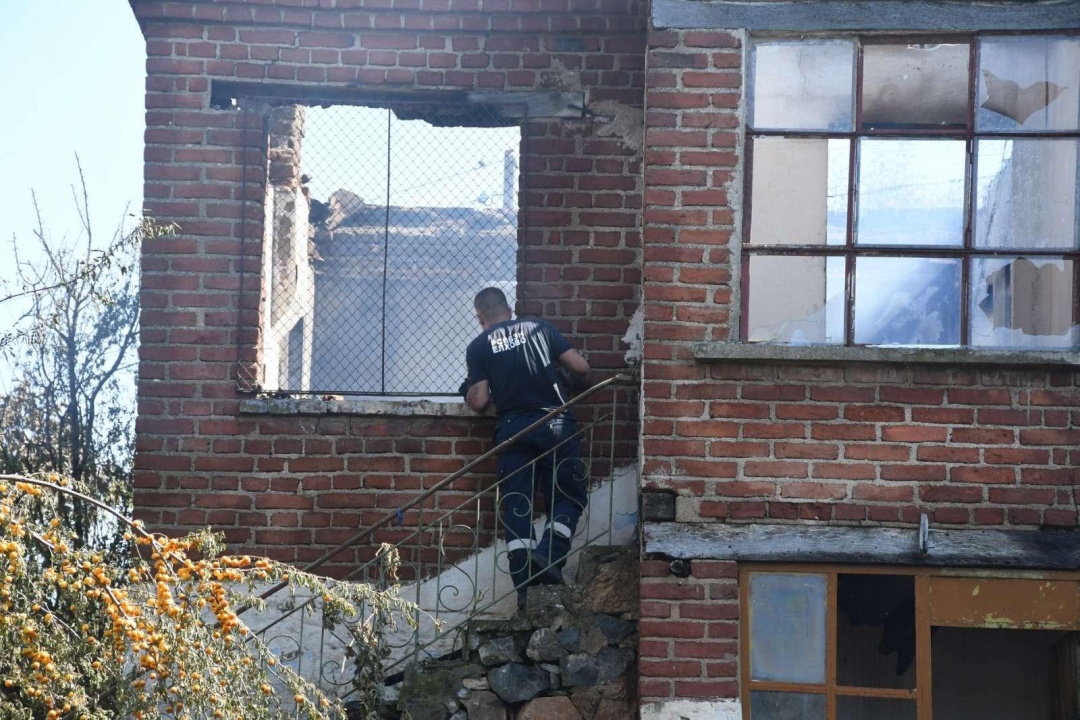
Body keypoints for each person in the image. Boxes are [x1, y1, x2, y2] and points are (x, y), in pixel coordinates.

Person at [462, 287, 590, 605]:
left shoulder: (479, 346)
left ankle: (525, 588)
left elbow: (478, 400)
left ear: (480, 318)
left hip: (512, 431)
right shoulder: (539, 327)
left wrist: (467, 388)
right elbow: (580, 367)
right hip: (555, 425)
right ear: (509, 307)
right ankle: (549, 555)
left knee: (518, 505)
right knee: (568, 496)